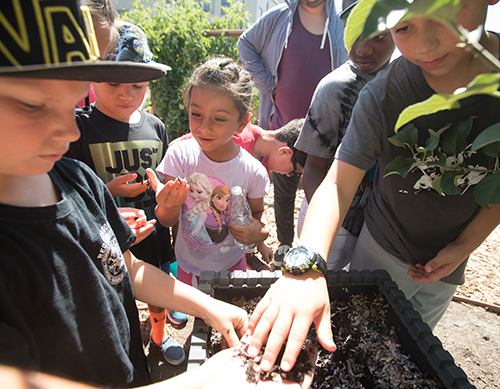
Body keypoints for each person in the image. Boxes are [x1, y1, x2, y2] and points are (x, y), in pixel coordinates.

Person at [0, 1, 253, 387]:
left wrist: (211, 306)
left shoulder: (77, 180)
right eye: (34, 105)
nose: (69, 131)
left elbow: (127, 267)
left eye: (72, 104)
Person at [244, 0, 500, 376]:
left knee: (409, 346)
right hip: (382, 246)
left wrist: (465, 245)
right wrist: (307, 264)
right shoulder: (385, 93)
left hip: (450, 264)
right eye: (403, 27)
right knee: (360, 346)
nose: (425, 45)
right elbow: (337, 182)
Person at [65, 20, 189, 366]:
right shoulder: (79, 126)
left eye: (137, 85)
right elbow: (69, 189)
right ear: (92, 78)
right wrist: (105, 192)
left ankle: (160, 335)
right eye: (114, 82)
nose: (126, 94)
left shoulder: (155, 127)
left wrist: (168, 202)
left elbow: (163, 186)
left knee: (158, 286)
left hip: (152, 226)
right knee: (116, 292)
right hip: (105, 236)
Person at [238, 0, 348, 257]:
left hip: (323, 135)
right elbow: (245, 44)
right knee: (284, 195)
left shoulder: (341, 22)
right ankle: (286, 247)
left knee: (320, 190)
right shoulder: (279, 17)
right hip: (283, 130)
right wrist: (266, 82)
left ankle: (317, 248)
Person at [152, 57, 270, 289]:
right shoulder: (179, 156)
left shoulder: (253, 171)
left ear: (241, 123)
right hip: (187, 267)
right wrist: (168, 205)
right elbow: (165, 220)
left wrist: (260, 233)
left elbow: (258, 212)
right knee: (197, 316)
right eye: (196, 114)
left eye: (218, 119)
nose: (203, 127)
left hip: (233, 268)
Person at [295, 0, 395, 271]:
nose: (363, 48)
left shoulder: (401, 81)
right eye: (354, 32)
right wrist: (326, 226)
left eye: (379, 36)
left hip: (374, 223)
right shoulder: (335, 90)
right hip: (332, 221)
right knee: (317, 279)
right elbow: (314, 167)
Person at [173, 118, 307, 271]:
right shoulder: (238, 134)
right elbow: (184, 143)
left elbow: (252, 207)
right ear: (284, 152)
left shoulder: (261, 165)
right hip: (193, 240)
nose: (290, 176)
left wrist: (259, 243)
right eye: (294, 172)